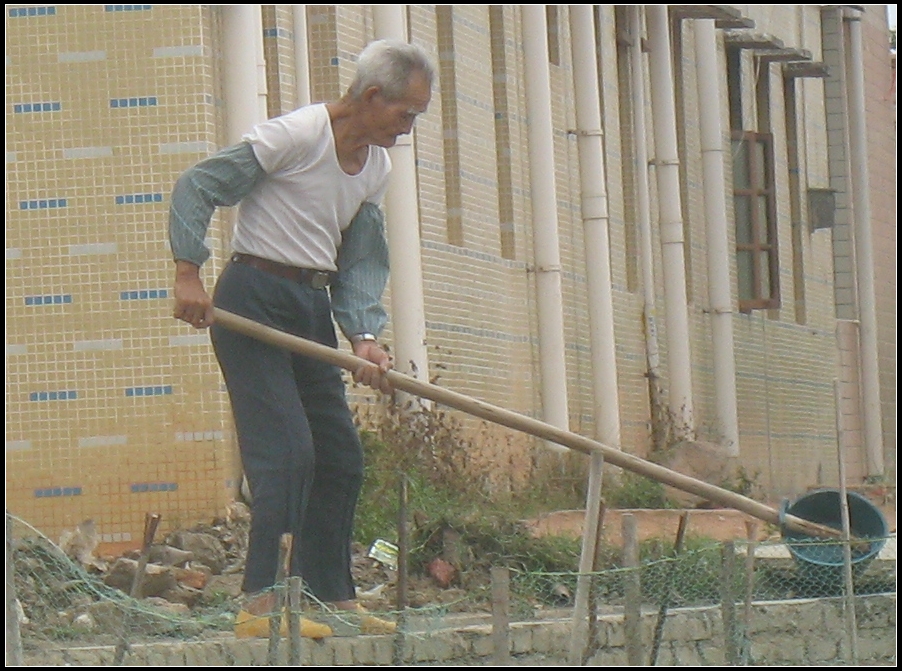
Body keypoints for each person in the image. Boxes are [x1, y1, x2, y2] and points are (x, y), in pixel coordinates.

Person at [168, 39, 434, 638]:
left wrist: (363, 336)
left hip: (309, 307)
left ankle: (330, 597)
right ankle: (259, 604)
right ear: (372, 96)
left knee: (339, 457)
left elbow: (360, 259)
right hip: (253, 298)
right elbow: (198, 185)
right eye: (406, 113)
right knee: (287, 453)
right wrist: (188, 272)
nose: (408, 128)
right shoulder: (296, 135)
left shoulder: (376, 167)